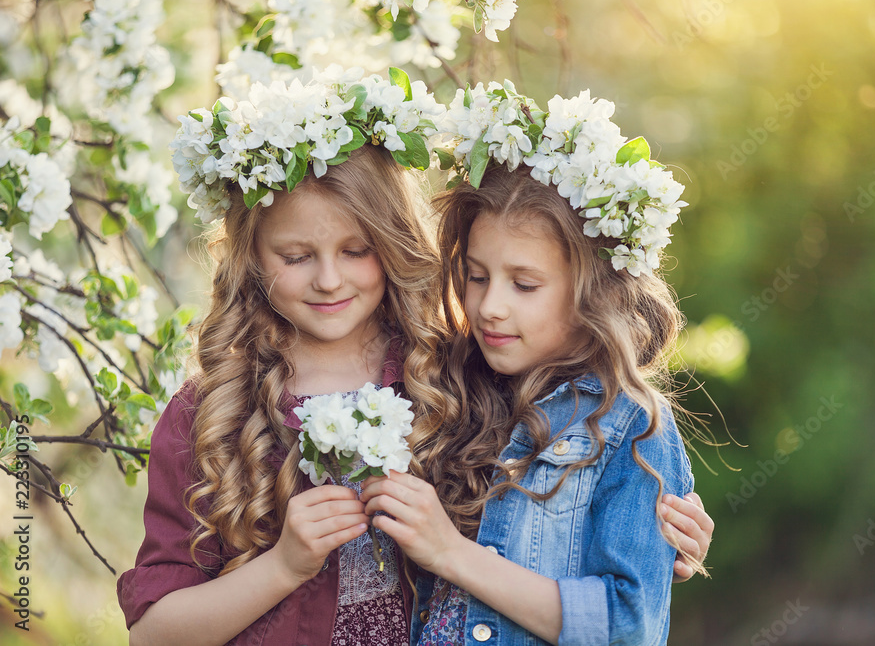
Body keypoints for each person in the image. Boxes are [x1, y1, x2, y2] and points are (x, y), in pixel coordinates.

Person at [118, 73, 711, 646]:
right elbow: (153, 636)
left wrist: (659, 540)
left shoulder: (454, 379)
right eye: (296, 255)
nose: (328, 279)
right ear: (251, 255)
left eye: (356, 250)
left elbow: (568, 512)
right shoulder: (212, 415)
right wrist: (284, 566)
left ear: (394, 244)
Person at [361, 83, 703, 644]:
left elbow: (627, 627)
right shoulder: (446, 389)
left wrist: (451, 553)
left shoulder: (629, 427)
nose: (490, 306)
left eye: (525, 284)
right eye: (476, 276)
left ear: (596, 290)